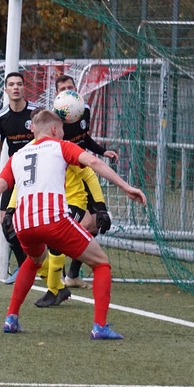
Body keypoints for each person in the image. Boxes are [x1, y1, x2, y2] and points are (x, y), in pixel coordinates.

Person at [0, 109, 147, 339]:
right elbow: (94, 162)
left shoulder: (18, 156)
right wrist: (126, 188)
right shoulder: (61, 146)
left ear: (34, 129)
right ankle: (100, 326)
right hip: (53, 220)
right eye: (63, 130)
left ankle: (11, 319)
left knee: (34, 259)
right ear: (55, 129)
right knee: (101, 263)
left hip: (23, 224)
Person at [53, 74, 118, 294]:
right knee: (61, 225)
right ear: (57, 94)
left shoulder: (83, 109)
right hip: (65, 178)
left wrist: (102, 151)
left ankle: (72, 274)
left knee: (98, 220)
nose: (68, 92)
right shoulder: (54, 118)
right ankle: (55, 276)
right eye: (63, 89)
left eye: (71, 87)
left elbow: (84, 138)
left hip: (84, 172)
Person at [0, 71, 37, 283]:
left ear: (25, 88)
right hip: (14, 173)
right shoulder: (1, 117)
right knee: (7, 223)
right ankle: (24, 265)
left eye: (19, 84)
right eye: (11, 84)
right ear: (6, 89)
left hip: (37, 174)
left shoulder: (36, 113)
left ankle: (54, 268)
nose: (15, 88)